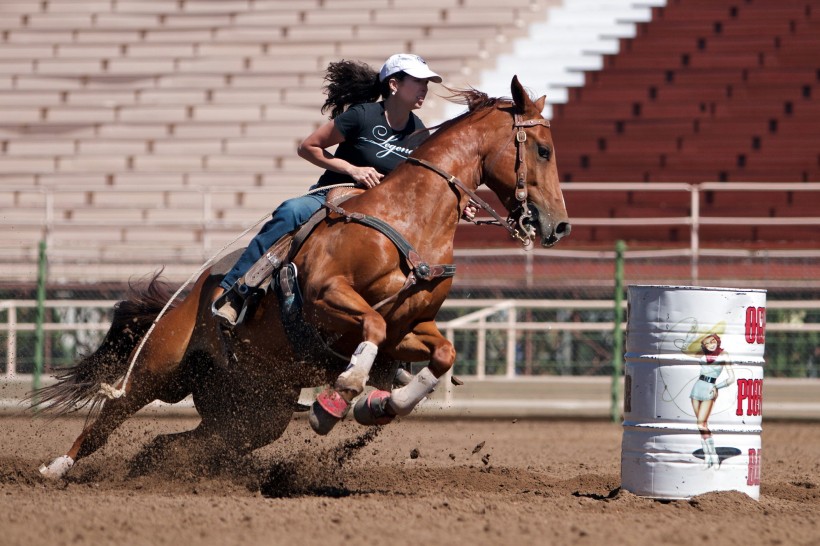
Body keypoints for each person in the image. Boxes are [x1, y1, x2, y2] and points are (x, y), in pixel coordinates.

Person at [212, 53, 443, 327]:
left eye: (427, 83)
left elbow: (418, 182)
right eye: (418, 81)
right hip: (332, 196)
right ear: (394, 85)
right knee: (291, 210)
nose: (424, 88)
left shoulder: (419, 132)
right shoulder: (362, 115)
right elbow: (308, 147)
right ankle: (236, 292)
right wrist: (352, 170)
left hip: (382, 211)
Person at [688, 333, 735, 468]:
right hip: (697, 388)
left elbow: (731, 378)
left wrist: (717, 386)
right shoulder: (702, 354)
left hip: (710, 389)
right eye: (707, 343)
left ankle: (713, 455)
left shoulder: (723, 354)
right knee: (702, 426)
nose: (710, 345)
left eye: (712, 341)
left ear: (717, 341)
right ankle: (708, 457)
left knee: (701, 424)